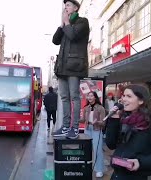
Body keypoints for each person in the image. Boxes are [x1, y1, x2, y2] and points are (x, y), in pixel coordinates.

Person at [106, 84, 151, 180]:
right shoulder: (124, 119)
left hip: (137, 176)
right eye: (123, 96)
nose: (123, 99)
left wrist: (140, 162)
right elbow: (111, 144)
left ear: (141, 100)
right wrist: (113, 121)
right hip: (117, 175)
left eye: (129, 96)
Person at [52, 0, 90, 139]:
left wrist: (67, 23)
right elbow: (55, 41)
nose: (65, 7)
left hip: (74, 67)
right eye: (65, 5)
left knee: (74, 97)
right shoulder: (65, 24)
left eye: (68, 5)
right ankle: (65, 126)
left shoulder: (82, 22)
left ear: (75, 7)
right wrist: (61, 25)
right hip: (62, 67)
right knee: (64, 97)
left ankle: (74, 128)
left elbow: (73, 36)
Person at [80, 91, 106, 178]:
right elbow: (83, 120)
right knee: (86, 149)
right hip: (87, 129)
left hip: (97, 130)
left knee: (97, 150)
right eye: (88, 96)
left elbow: (103, 123)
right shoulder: (86, 108)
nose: (90, 97)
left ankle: (99, 170)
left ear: (95, 97)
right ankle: (86, 167)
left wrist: (97, 122)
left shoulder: (100, 108)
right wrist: (76, 118)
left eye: (91, 96)